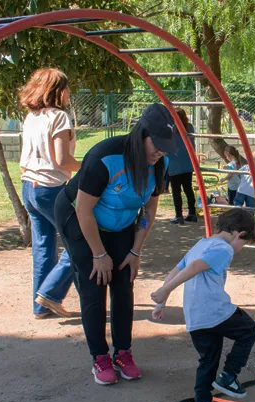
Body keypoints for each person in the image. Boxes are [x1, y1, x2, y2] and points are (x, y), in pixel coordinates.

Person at [54, 103, 172, 385]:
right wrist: (98, 254)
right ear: (141, 134)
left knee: (124, 281)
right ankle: (100, 357)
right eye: (156, 145)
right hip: (79, 217)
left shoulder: (159, 164)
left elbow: (149, 211)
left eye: (166, 147)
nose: (161, 152)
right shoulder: (105, 156)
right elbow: (84, 211)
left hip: (121, 222)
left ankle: (123, 353)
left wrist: (135, 251)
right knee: (96, 283)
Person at [150, 208, 255, 402]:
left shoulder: (201, 243)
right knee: (248, 330)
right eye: (243, 244)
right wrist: (164, 292)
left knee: (208, 359)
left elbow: (176, 269)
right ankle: (229, 376)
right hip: (215, 309)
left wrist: (162, 302)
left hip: (196, 315)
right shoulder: (224, 248)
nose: (240, 249)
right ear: (240, 234)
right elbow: (195, 268)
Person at [18, 68, 81, 319]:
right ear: (58, 91)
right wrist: (87, 165)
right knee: (80, 243)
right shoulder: (59, 117)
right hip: (51, 189)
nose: (69, 93)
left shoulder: (31, 117)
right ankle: (50, 294)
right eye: (66, 88)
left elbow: (24, 160)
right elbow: (63, 160)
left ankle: (41, 306)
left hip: (29, 187)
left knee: (43, 248)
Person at [168, 109, 197, 225]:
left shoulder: (172, 128)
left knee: (176, 190)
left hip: (175, 163)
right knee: (188, 189)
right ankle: (192, 213)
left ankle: (179, 215)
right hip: (188, 162)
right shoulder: (189, 127)